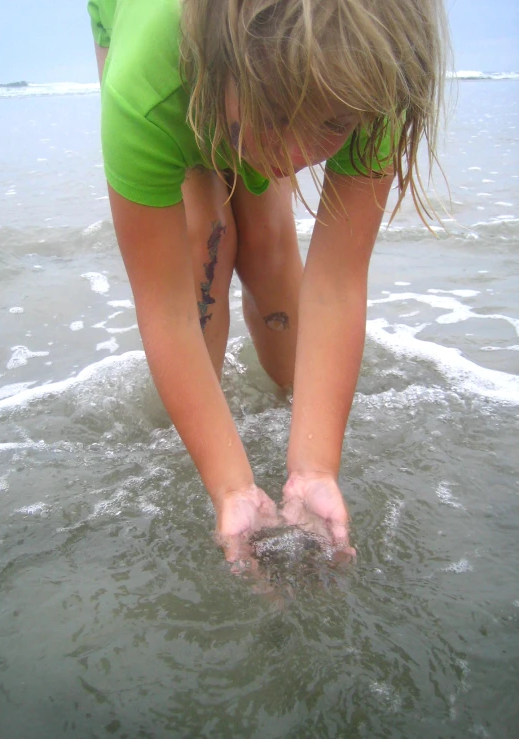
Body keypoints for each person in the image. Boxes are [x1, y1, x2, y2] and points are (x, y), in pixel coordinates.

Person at [87, 0, 447, 565]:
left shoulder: (381, 70)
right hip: (154, 33)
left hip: (249, 79)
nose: (294, 157)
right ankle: (198, 440)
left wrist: (316, 468)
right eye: (279, 118)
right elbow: (167, 309)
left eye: (330, 126)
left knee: (269, 245)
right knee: (203, 233)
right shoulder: (145, 93)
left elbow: (336, 284)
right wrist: (230, 487)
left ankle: (286, 400)